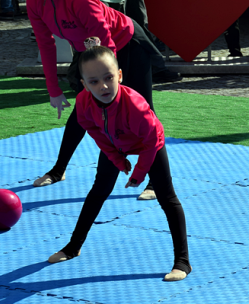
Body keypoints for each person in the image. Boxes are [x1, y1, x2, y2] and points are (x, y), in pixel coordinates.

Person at [27, 0, 167, 196]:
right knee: (82, 111)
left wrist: (112, 86)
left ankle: (155, 181)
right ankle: (58, 170)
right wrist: (54, 90)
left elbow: (107, 43)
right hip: (91, 51)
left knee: (146, 114)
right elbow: (46, 46)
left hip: (127, 45)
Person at [47, 43, 191, 282]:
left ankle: (183, 262)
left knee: (167, 197)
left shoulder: (135, 106)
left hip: (149, 143)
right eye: (94, 81)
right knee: (98, 191)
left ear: (120, 75)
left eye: (108, 78)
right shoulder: (83, 102)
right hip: (115, 143)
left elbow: (150, 142)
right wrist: (117, 158)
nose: (103, 86)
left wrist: (139, 174)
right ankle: (73, 246)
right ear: (84, 84)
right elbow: (95, 131)